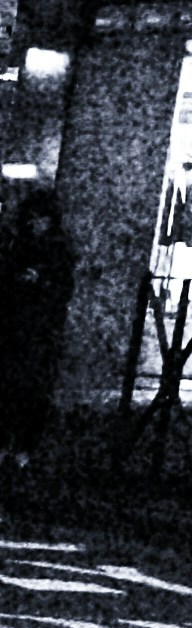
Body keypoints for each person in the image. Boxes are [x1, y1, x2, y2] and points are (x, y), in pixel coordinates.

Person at [0, 181, 75, 493]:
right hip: (16, 328)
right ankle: (10, 445)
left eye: (40, 218)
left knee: (32, 390)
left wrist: (41, 281)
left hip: (38, 331)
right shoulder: (18, 245)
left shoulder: (57, 251)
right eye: (32, 217)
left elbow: (62, 290)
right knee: (11, 388)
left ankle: (23, 449)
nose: (35, 224)